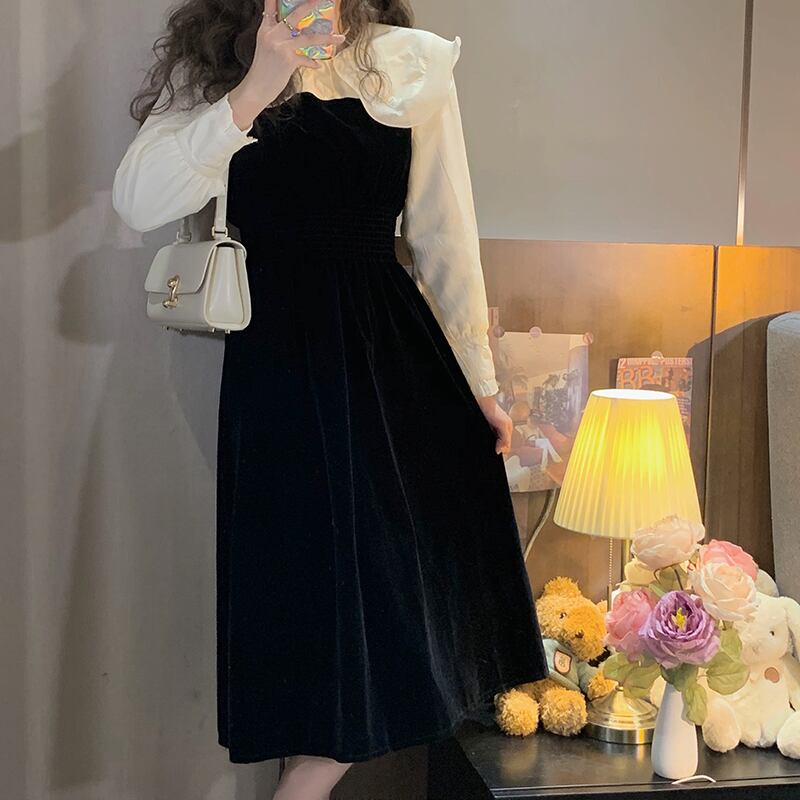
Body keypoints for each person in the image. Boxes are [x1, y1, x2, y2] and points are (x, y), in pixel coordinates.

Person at [112, 1, 548, 797]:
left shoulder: (407, 60)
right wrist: (256, 86)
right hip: (275, 370)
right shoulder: (221, 56)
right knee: (304, 603)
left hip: (387, 362)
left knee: (389, 599)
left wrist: (481, 385)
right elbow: (138, 200)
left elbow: (444, 234)